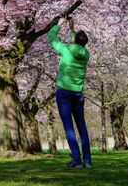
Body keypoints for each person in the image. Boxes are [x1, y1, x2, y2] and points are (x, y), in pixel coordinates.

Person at [48, 16, 92, 168]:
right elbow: (77, 44)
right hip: (78, 95)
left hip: (64, 93)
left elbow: (51, 37)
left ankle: (76, 160)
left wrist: (58, 26)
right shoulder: (86, 54)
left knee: (69, 127)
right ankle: (87, 161)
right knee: (82, 127)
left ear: (74, 41)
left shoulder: (66, 50)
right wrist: (72, 29)